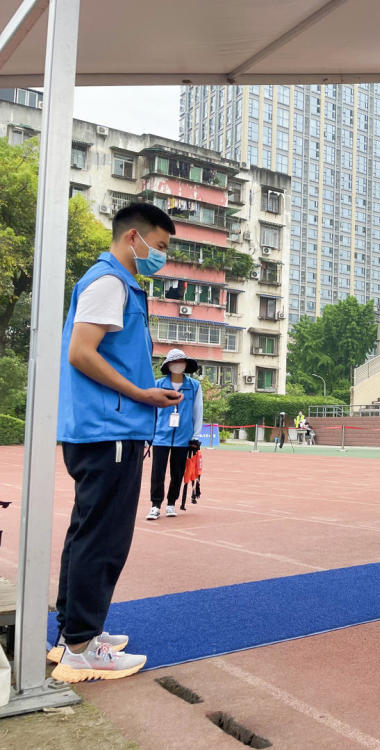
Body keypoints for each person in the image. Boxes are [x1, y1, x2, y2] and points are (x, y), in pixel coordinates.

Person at [50, 202, 180, 683]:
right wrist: (141, 393)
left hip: (103, 428)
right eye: (160, 247)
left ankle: (74, 635)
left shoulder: (113, 283)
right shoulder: (110, 283)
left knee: (87, 532)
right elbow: (81, 352)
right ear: (134, 238)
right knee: (104, 538)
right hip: (110, 430)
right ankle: (82, 648)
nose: (161, 257)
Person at [146, 349, 203, 520]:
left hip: (183, 437)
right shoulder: (158, 385)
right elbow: (151, 411)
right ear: (168, 365)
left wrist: (195, 436)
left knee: (177, 472)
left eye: (181, 361)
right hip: (160, 435)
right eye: (174, 362)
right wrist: (148, 435)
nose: (178, 365)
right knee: (157, 472)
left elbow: (197, 411)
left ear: (186, 364)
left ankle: (171, 503)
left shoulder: (194, 386)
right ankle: (155, 505)